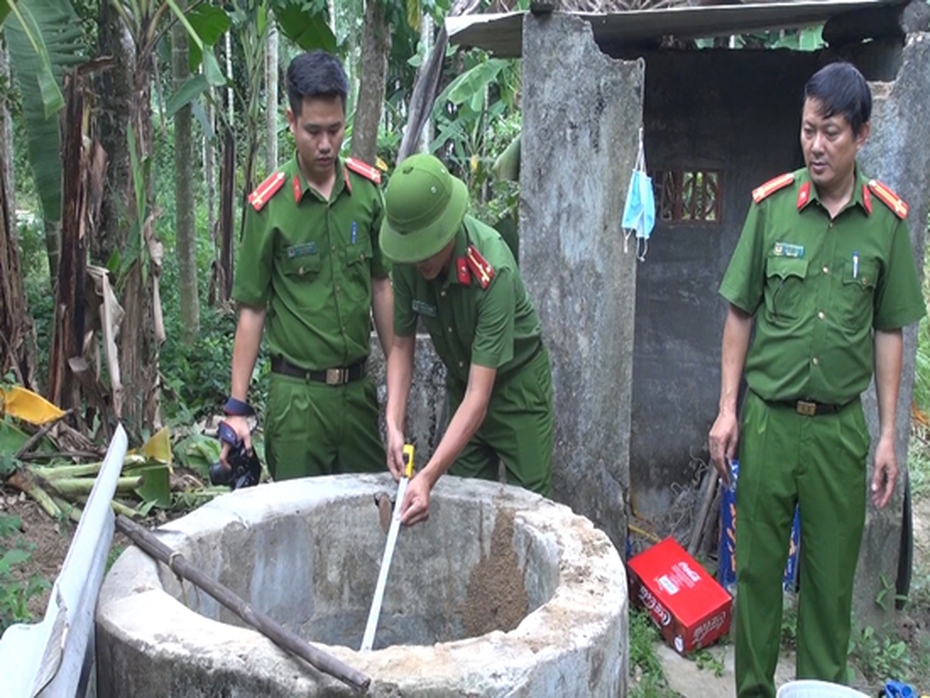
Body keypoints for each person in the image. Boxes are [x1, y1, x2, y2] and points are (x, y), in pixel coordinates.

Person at [708, 62, 925, 697]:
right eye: (808, 131)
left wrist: (889, 435)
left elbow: (891, 332)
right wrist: (728, 410)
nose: (816, 145)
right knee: (755, 580)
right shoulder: (772, 209)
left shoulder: (885, 222)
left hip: (838, 435)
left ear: (860, 133)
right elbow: (738, 312)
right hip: (770, 423)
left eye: (830, 132)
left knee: (830, 589)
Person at [220, 50, 394, 480]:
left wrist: (397, 379)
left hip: (358, 396)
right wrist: (236, 409)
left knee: (366, 517)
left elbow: (381, 286)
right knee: (296, 528)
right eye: (313, 130)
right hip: (297, 402)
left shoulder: (368, 194)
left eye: (335, 130)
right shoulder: (270, 206)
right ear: (291, 120)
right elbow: (252, 308)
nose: (325, 144)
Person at [380, 154, 553, 526]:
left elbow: (481, 396)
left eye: (426, 248)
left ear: (447, 227)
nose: (418, 262)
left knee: (532, 512)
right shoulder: (410, 263)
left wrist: (427, 476)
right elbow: (400, 347)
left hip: (517, 388)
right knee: (469, 508)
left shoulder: (493, 270)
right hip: (463, 388)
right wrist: (393, 422)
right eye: (411, 252)